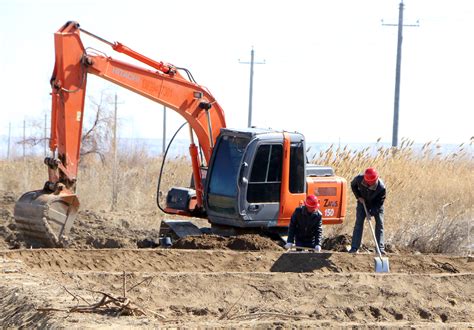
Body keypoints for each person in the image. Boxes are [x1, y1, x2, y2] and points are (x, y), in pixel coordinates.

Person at [349, 167, 386, 254]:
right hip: (363, 202)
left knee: (380, 224)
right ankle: (354, 247)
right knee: (359, 223)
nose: (369, 184)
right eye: (367, 182)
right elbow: (353, 185)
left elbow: (379, 203)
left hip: (376, 205)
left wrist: (371, 213)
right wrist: (358, 197)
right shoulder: (359, 179)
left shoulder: (381, 187)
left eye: (371, 183)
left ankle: (380, 249)